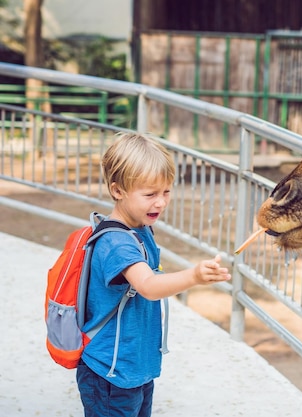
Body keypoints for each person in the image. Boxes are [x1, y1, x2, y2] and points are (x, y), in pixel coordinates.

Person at [77, 133, 231, 417]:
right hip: (111, 372)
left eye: (166, 192)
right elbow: (147, 285)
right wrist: (194, 276)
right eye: (150, 194)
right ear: (118, 190)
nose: (160, 203)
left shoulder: (140, 230)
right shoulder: (117, 242)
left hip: (135, 365)